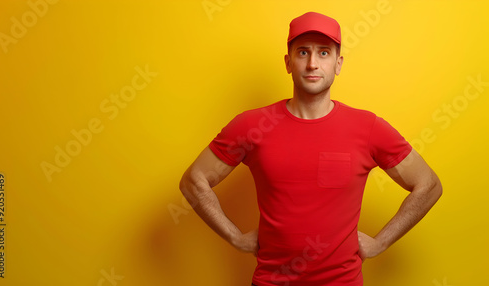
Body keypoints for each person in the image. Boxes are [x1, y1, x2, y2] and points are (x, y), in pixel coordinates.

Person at [179, 11, 442, 286]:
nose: (313, 63)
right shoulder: (252, 125)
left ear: (338, 64)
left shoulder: (368, 128)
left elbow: (428, 185)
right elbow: (193, 181)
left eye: (324, 53)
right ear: (288, 62)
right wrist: (235, 236)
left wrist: (380, 242)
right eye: (303, 52)